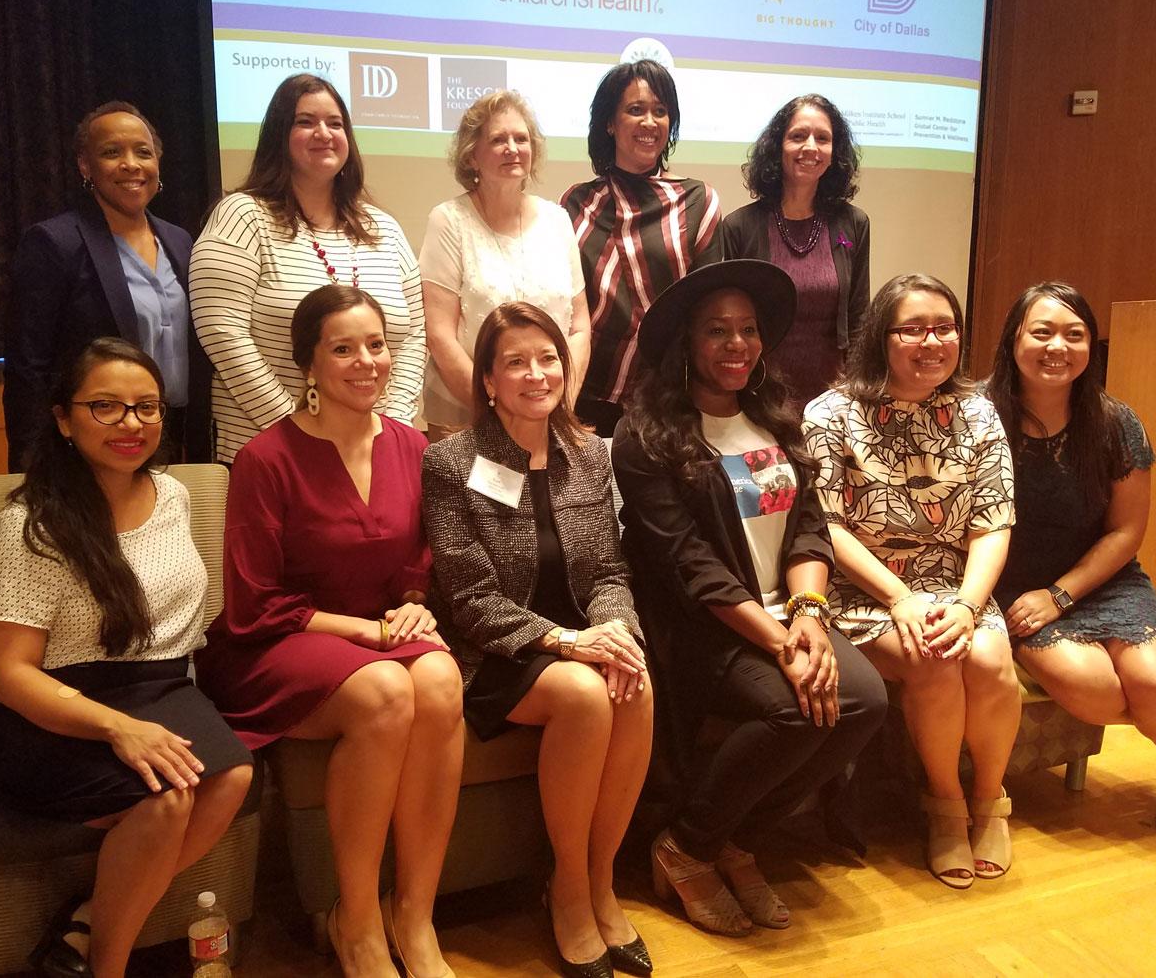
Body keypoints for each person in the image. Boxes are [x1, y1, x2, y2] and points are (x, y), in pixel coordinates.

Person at [611, 260, 887, 937]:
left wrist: (810, 619)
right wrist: (778, 641)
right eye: (717, 331)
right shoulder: (644, 438)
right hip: (703, 627)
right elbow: (689, 565)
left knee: (865, 699)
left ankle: (728, 839)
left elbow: (808, 528)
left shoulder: (775, 418)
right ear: (686, 342)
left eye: (748, 330)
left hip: (787, 613)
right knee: (796, 711)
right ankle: (686, 840)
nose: (736, 344)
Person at [0, 337, 254, 978]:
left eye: (146, 408)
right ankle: (108, 967)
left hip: (155, 683)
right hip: (49, 698)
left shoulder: (172, 496)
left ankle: (91, 915)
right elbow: (12, 674)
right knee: (166, 800)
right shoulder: (31, 526)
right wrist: (118, 728)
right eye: (106, 407)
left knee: (231, 777)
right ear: (64, 419)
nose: (131, 424)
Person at [194, 285, 462, 978]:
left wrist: (414, 601)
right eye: (343, 348)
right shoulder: (266, 458)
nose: (366, 360)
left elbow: (418, 557)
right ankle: (358, 920)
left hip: (375, 630)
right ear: (309, 364)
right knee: (383, 691)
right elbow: (253, 601)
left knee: (437, 676)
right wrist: (371, 631)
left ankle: (416, 914)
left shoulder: (412, 445)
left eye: (375, 343)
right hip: (276, 640)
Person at [422, 303, 652, 978]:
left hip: (581, 635)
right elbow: (469, 598)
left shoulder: (589, 454)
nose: (535, 372)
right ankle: (570, 894)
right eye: (515, 361)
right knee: (585, 692)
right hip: (497, 648)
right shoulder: (450, 462)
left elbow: (610, 568)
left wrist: (613, 631)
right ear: (487, 381)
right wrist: (564, 641)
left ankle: (601, 881)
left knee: (635, 683)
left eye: (547, 357)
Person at [802, 273, 1021, 889]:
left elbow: (993, 522)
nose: (933, 341)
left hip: (956, 585)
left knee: (991, 663)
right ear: (882, 337)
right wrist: (900, 598)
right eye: (914, 328)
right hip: (864, 588)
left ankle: (991, 800)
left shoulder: (978, 412)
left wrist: (970, 607)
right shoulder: (832, 413)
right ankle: (947, 807)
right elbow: (829, 528)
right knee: (931, 662)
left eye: (945, 327)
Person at [986, 282, 1156, 834]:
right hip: (1016, 589)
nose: (1057, 347)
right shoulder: (979, 415)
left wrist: (1062, 593)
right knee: (1096, 692)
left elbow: (1126, 530)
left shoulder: (1115, 422)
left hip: (1101, 581)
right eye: (1041, 332)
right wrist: (1036, 598)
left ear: (1092, 346)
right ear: (1013, 338)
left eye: (1075, 335)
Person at [190, 73, 425, 463]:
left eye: (335, 123)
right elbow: (223, 336)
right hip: (274, 457)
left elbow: (415, 336)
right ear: (279, 135)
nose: (323, 133)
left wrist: (389, 428)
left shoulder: (384, 228)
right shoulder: (243, 217)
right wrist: (302, 433)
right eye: (305, 122)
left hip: (373, 455)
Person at [3, 102, 210, 470]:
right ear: (86, 166)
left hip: (170, 435)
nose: (131, 164)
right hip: (94, 442)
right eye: (112, 152)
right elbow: (27, 368)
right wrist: (30, 465)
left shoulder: (181, 242)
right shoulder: (55, 242)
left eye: (143, 152)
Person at [562, 59, 722, 436]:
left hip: (668, 401)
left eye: (660, 111)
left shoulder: (697, 201)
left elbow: (707, 310)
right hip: (582, 398)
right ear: (609, 123)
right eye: (635, 110)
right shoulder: (576, 203)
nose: (650, 122)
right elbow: (562, 309)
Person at [421, 90, 591, 440]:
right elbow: (439, 335)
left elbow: (580, 328)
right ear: (471, 156)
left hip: (549, 418)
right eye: (498, 139)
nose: (512, 148)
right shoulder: (449, 221)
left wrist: (555, 405)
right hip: (466, 418)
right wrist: (498, 409)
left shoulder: (557, 220)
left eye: (521, 138)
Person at [720, 94, 870, 404]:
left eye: (823, 138)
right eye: (798, 136)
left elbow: (858, 319)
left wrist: (856, 393)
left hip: (833, 400)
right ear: (778, 148)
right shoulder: (740, 227)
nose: (811, 147)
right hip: (760, 396)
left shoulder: (854, 223)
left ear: (834, 151)